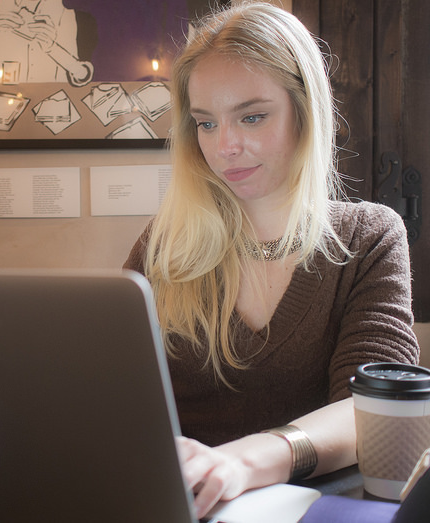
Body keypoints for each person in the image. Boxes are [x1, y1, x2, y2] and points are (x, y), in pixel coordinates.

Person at [122, 2, 420, 519]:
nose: (225, 146)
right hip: (179, 504)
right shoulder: (165, 245)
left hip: (317, 508)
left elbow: (375, 410)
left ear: (304, 110)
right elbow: (113, 390)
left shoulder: (369, 237)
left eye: (252, 116)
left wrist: (244, 461)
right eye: (206, 123)